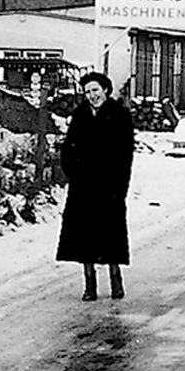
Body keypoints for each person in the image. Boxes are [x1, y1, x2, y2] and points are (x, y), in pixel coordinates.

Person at [56, 71, 134, 301]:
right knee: (84, 235)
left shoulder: (120, 115)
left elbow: (125, 154)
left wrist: (120, 187)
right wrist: (72, 170)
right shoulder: (80, 115)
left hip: (110, 185)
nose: (92, 96)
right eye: (88, 92)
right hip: (83, 185)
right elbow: (69, 146)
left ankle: (115, 281)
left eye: (95, 90)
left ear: (106, 90)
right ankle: (89, 285)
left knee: (111, 233)